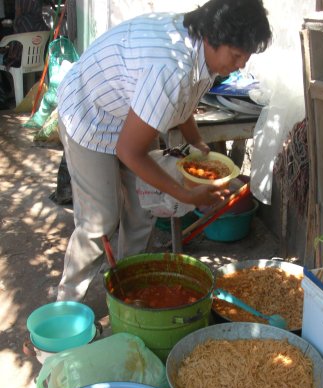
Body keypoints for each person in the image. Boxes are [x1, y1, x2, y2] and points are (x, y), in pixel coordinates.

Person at [56, 0, 272, 302]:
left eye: (245, 58)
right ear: (212, 38)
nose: (240, 65)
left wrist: (198, 143)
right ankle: (66, 309)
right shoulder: (171, 65)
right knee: (100, 221)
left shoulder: (202, 49)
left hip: (131, 116)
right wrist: (185, 195)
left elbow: (182, 102)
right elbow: (130, 151)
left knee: (142, 202)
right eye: (236, 56)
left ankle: (128, 286)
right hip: (89, 114)